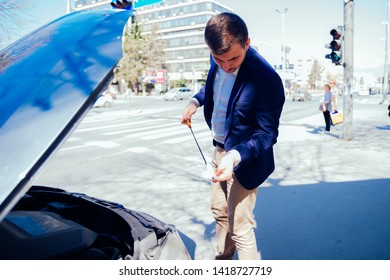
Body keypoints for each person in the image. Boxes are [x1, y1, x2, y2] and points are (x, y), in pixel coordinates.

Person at [181, 12, 285, 260]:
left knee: (240, 226)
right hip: (219, 150)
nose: (226, 66)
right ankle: (224, 262)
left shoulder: (266, 80)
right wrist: (195, 101)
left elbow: (267, 133)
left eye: (233, 59)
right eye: (219, 59)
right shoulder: (218, 56)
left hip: (246, 159)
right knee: (219, 211)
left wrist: (235, 156)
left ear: (247, 43)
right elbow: (214, 86)